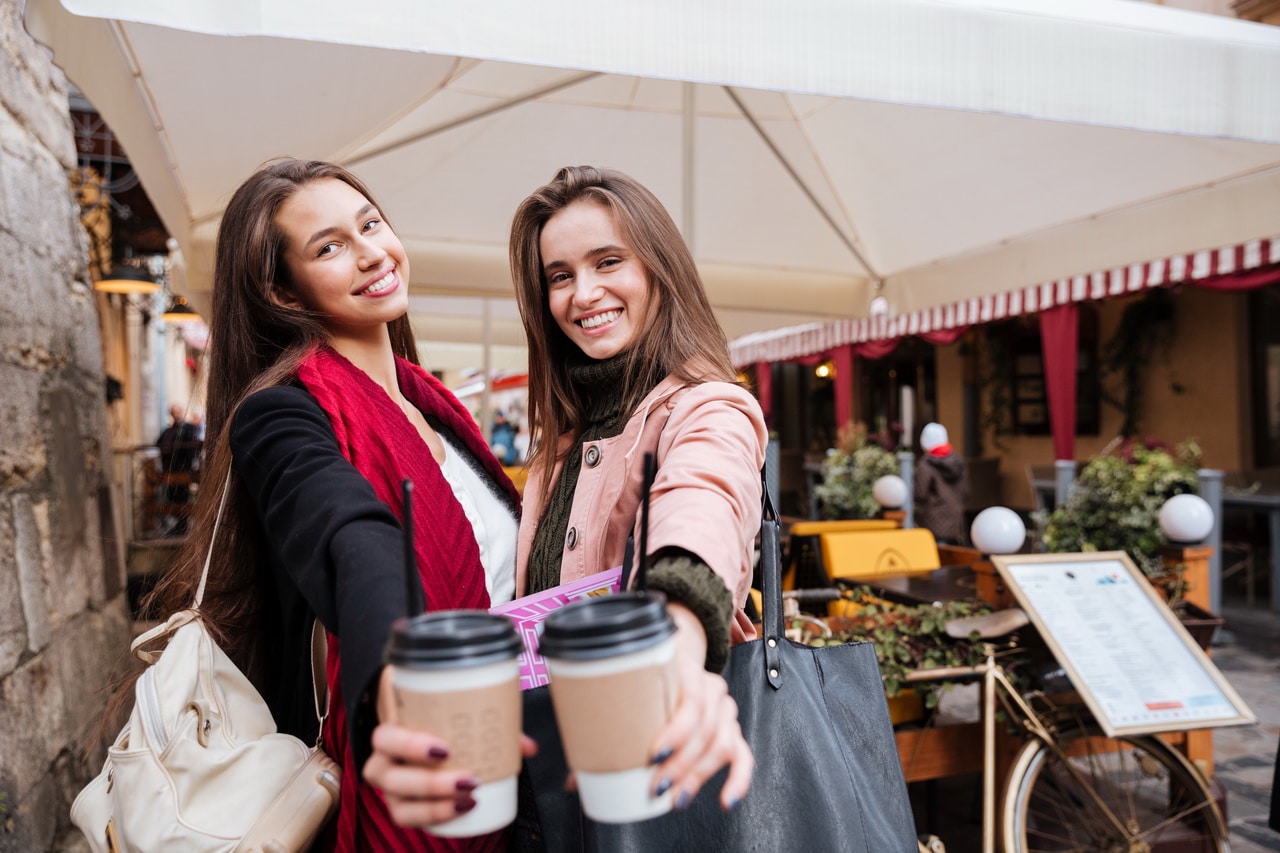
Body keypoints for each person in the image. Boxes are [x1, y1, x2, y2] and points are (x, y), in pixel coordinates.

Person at [137, 158, 523, 851]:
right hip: (406, 767)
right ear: (283, 291)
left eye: (369, 224)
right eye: (330, 246)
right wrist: (398, 688)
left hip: (515, 764)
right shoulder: (279, 417)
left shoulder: (437, 407)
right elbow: (355, 535)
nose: (372, 251)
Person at [508, 165, 765, 839]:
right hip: (553, 783)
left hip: (659, 773)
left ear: (658, 269)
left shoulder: (707, 407)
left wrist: (678, 640)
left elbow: (702, 503)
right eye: (559, 275)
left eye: (608, 261)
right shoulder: (559, 446)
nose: (582, 292)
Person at [914, 421, 970, 545]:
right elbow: (966, 492)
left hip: (934, 523)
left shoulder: (926, 465)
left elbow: (920, 494)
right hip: (956, 522)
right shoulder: (958, 462)